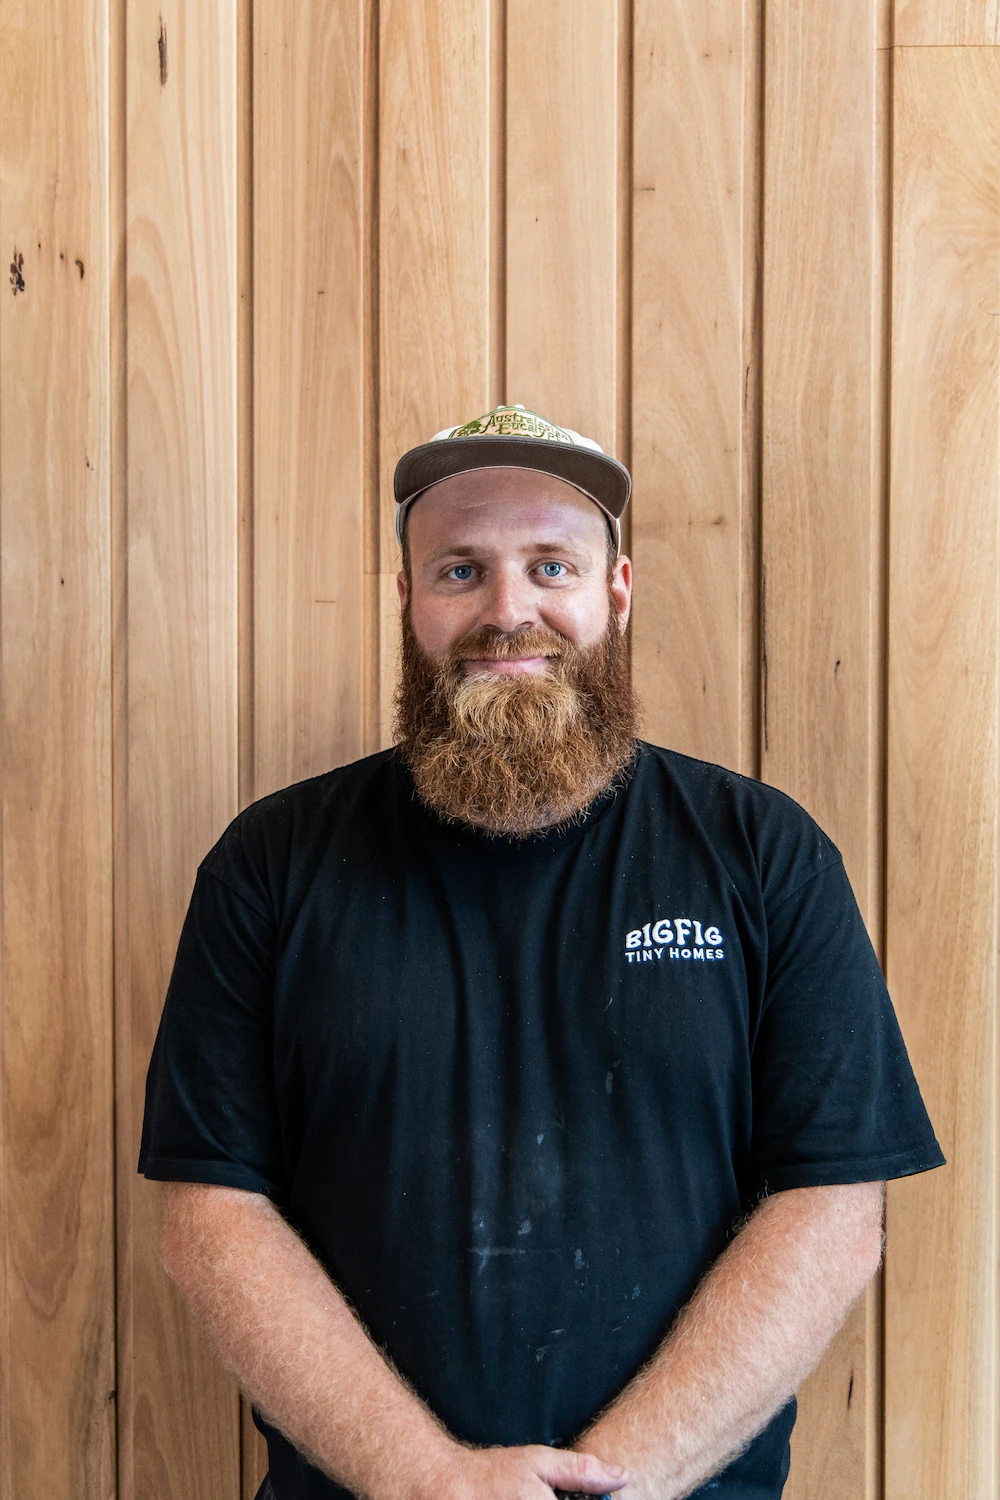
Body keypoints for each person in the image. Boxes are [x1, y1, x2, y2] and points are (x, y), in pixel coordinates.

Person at [139, 404, 944, 1500]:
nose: (507, 611)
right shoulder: (271, 865)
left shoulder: (761, 853)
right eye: (460, 571)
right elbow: (211, 1215)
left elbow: (834, 1208)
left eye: (550, 564)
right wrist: (422, 1476)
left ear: (615, 591)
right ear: (408, 601)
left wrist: (621, 1481)